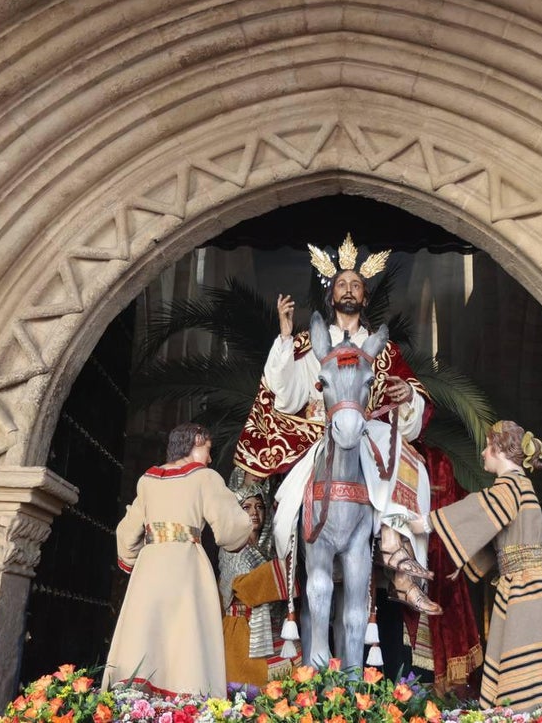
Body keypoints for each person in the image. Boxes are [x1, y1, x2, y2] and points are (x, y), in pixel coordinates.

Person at [232, 234, 441, 616]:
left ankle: (401, 565)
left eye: (356, 285)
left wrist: (405, 396)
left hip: (367, 431)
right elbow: (285, 394)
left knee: (408, 464)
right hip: (318, 437)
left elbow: (414, 396)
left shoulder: (383, 351)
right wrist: (282, 336)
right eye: (342, 284)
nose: (349, 289)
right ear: (332, 296)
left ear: (365, 297)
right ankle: (290, 568)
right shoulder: (309, 343)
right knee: (285, 516)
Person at [407, 421, 542, 709]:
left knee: (525, 669)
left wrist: (426, 522)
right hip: (538, 587)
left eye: (487, 447)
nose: (482, 453)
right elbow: (504, 535)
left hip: (528, 591)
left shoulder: (509, 487)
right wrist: (465, 563)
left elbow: (482, 507)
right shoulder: (523, 487)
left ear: (499, 449)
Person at [103, 423, 253, 696]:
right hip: (186, 565)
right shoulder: (204, 477)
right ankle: (186, 702)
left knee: (144, 632)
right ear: (196, 441)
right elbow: (231, 529)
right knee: (187, 635)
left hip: (150, 566)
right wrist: (248, 526)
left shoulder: (148, 480)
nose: (209, 458)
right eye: (207, 450)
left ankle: (136, 704)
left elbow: (126, 533)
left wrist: (130, 559)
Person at [218, 470, 297, 685]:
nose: (255, 512)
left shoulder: (269, 551)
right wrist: (287, 570)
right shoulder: (230, 547)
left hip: (271, 628)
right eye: (247, 507)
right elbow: (245, 588)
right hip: (241, 631)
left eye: (260, 507)